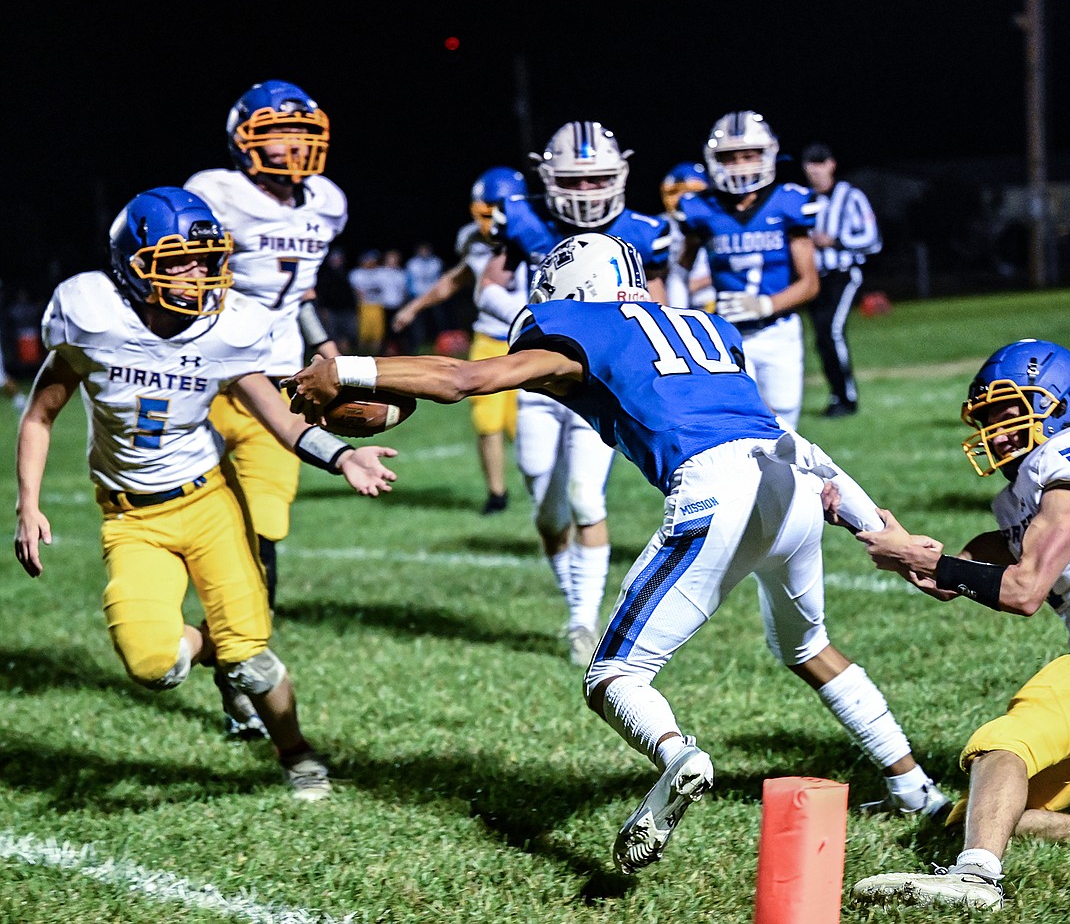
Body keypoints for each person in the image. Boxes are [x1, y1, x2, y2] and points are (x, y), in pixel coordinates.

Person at [286, 232, 950, 875]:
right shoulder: (706, 328)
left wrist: (343, 369)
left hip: (714, 487)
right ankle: (917, 787)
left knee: (613, 678)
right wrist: (884, 534)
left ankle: (677, 756)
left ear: (571, 292)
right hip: (794, 477)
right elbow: (789, 439)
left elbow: (465, 378)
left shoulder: (583, 329)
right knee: (808, 648)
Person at [13, 187, 396, 801]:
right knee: (151, 665)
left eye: (206, 258)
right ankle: (221, 641)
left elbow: (284, 422)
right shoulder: (90, 317)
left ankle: (295, 752)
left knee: (253, 661)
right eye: (178, 260)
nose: (199, 274)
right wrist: (28, 504)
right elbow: (38, 416)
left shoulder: (228, 329)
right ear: (133, 266)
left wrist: (344, 455)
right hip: (130, 518)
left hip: (210, 501)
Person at [849, 339, 1070, 912]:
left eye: (1008, 410)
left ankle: (975, 882)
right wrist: (892, 542)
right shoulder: (1021, 500)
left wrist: (935, 564)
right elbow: (951, 577)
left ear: (1061, 404)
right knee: (978, 811)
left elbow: (1024, 592)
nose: (996, 430)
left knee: (1000, 746)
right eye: (988, 417)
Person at [479, 121, 673, 667]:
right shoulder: (520, 215)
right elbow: (488, 286)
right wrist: (527, 319)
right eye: (574, 182)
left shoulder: (643, 228)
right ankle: (576, 605)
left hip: (595, 386)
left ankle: (583, 624)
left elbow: (656, 311)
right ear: (549, 178)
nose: (587, 193)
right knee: (546, 510)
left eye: (598, 182)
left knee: (588, 498)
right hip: (536, 380)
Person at [184, 79, 346, 617]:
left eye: (302, 131)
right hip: (204, 374)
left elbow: (299, 293)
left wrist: (327, 350)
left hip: (275, 378)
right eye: (277, 132)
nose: (294, 145)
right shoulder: (215, 192)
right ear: (244, 140)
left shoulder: (326, 202)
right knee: (181, 503)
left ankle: (245, 640)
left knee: (264, 519)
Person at [394, 167, 530, 515]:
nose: (488, 221)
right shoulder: (471, 238)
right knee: (487, 423)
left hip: (530, 342)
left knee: (526, 427)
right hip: (488, 338)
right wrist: (414, 307)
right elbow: (456, 279)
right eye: (482, 212)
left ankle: (543, 489)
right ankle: (497, 495)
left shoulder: (539, 233)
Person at [674, 111, 820, 429]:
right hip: (726, 335)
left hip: (778, 330)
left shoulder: (789, 202)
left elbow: (809, 284)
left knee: (785, 430)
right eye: (730, 157)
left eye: (748, 155)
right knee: (744, 427)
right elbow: (678, 273)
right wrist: (681, 318)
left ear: (768, 154)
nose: (740, 165)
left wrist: (765, 304)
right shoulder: (700, 208)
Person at [801, 143, 881, 418]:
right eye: (811, 164)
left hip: (844, 274)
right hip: (816, 277)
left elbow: (872, 239)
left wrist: (834, 242)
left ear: (831, 165)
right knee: (822, 338)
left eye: (820, 162)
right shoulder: (805, 200)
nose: (816, 170)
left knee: (831, 331)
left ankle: (847, 398)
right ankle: (837, 395)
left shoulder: (851, 196)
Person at [658, 162, 713, 311]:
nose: (684, 200)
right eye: (675, 192)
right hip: (674, 300)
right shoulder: (658, 227)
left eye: (691, 192)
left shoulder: (717, 220)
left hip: (716, 299)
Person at [313, 248, 358, 354]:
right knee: (333, 336)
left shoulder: (347, 273)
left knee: (347, 336)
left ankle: (346, 357)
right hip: (331, 310)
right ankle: (333, 358)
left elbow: (351, 293)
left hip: (347, 310)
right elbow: (320, 294)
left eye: (339, 259)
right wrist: (322, 309)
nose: (337, 261)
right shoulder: (324, 276)